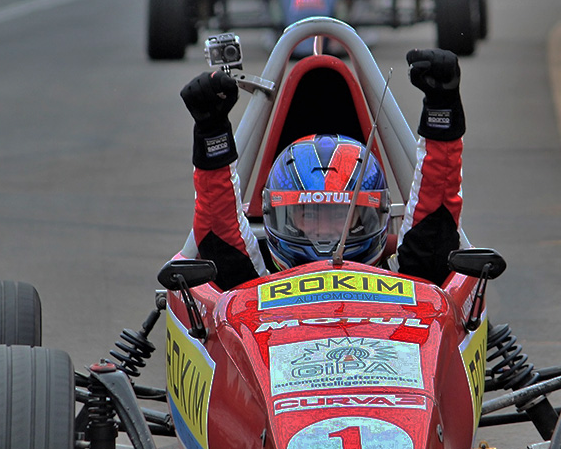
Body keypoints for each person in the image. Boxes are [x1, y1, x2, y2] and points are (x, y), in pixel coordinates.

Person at [181, 48, 465, 290]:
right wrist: (212, 133)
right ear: (282, 219)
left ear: (371, 217)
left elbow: (436, 205)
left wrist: (442, 109)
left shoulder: (414, 280)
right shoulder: (246, 285)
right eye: (310, 215)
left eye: (342, 216)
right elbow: (218, 224)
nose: (327, 234)